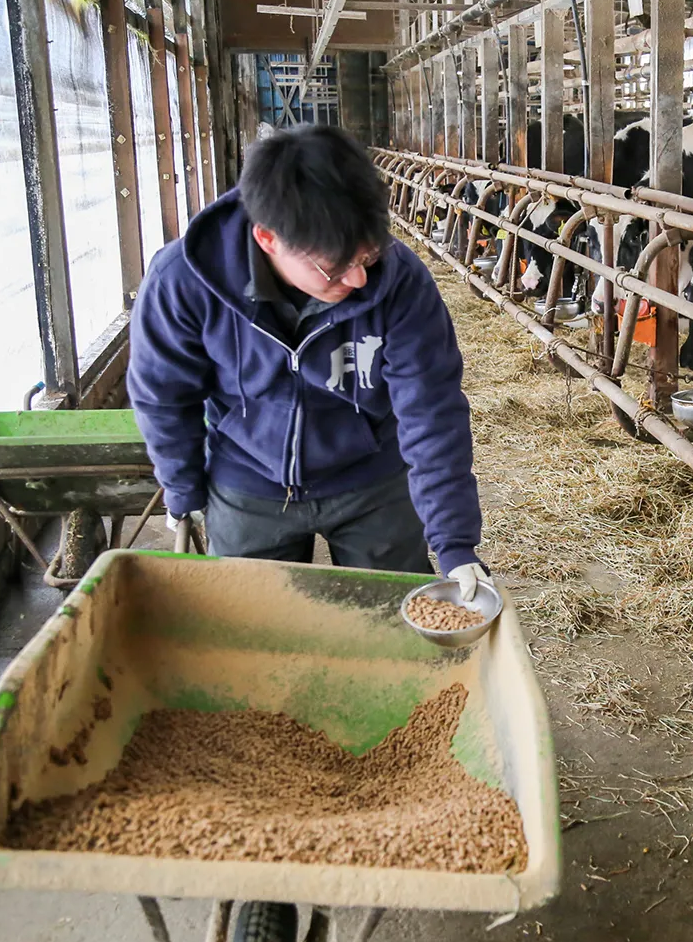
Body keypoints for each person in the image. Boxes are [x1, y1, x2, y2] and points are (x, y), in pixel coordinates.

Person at [127, 124, 488, 599]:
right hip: (247, 485)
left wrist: (455, 542)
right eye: (336, 268)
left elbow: (431, 408)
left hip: (372, 483)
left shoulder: (400, 281)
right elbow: (163, 394)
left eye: (369, 255)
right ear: (268, 238)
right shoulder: (185, 281)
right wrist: (182, 487)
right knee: (256, 634)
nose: (360, 279)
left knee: (389, 625)